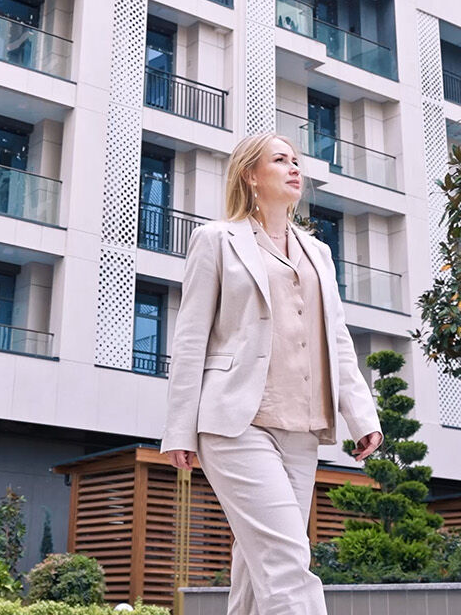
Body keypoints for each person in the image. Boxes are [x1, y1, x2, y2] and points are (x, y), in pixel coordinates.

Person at [162, 132, 382, 615]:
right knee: (286, 559)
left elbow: (337, 339)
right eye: (280, 160)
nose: (294, 168)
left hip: (302, 428)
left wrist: (361, 416)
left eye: (296, 160)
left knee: (258, 562)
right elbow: (190, 337)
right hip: (236, 423)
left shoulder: (318, 253)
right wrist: (179, 429)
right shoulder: (217, 240)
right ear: (250, 175)